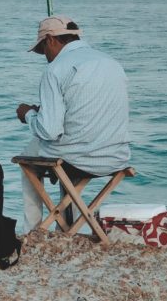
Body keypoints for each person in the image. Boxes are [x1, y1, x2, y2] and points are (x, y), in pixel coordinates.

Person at [15, 15, 130, 232]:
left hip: (78, 159)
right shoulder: (111, 63)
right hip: (116, 157)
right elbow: (89, 111)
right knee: (66, 146)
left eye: (43, 49)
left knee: (27, 159)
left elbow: (49, 131)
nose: (45, 57)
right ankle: (69, 226)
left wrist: (28, 114)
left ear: (50, 40)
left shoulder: (55, 70)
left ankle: (33, 230)